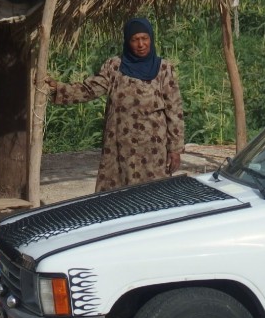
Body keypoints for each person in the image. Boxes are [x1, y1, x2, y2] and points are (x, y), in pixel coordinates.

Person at [45, 17, 185, 192]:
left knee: (152, 197)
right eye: (135, 40)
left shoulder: (164, 69)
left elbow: (175, 110)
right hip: (119, 147)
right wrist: (57, 89)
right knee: (115, 197)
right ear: (127, 42)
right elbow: (90, 89)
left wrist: (175, 149)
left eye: (144, 38)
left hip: (152, 150)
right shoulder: (114, 66)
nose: (141, 44)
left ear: (151, 39)